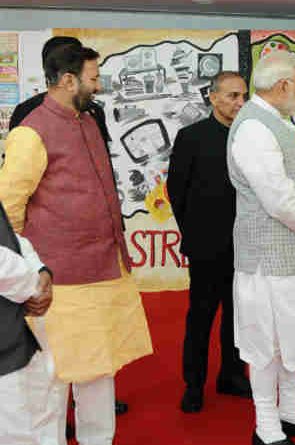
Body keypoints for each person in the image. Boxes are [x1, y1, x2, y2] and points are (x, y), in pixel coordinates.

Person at [0, 43, 152, 445]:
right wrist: (28, 275)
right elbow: (7, 211)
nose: (98, 86)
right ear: (68, 81)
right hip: (59, 283)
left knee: (100, 373)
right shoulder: (30, 132)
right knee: (55, 378)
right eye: (93, 78)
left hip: (103, 271)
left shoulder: (87, 121)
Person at [227, 50, 295, 445]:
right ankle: (267, 428)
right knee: (268, 344)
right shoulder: (253, 129)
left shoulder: (281, 123)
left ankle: (292, 413)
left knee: (294, 339)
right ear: (283, 86)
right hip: (267, 262)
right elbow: (279, 199)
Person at [167, 71, 252, 413]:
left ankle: (232, 375)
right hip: (206, 246)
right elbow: (176, 192)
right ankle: (194, 384)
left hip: (247, 244)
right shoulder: (191, 137)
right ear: (213, 97)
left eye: (243, 96)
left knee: (239, 316)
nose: (239, 103)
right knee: (201, 317)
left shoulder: (251, 137)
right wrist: (195, 233)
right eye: (232, 96)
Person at [0, 201, 53, 445]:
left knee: (40, 419)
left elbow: (8, 236)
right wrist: (33, 287)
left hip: (18, 339)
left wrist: (41, 271)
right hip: (5, 354)